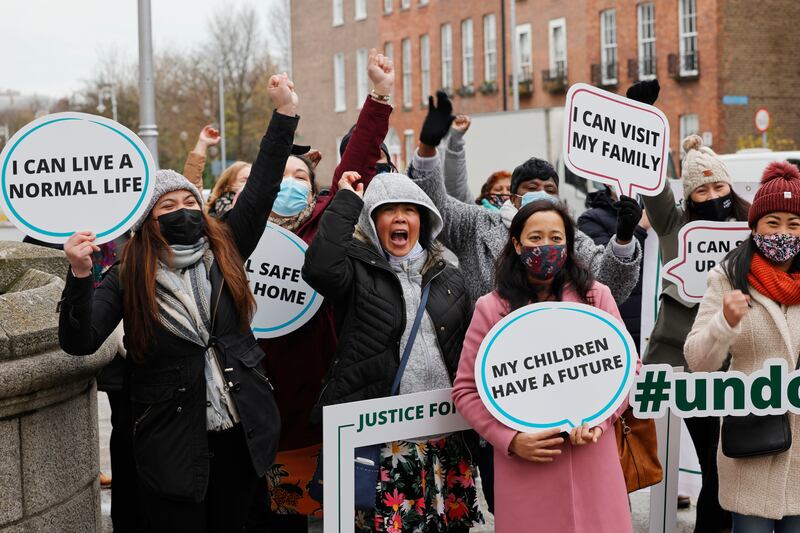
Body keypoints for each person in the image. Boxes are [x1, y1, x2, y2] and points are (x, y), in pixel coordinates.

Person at [58, 73, 299, 531]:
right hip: (171, 440)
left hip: (241, 432)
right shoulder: (128, 275)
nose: (182, 211)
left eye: (189, 202)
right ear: (148, 224)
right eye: (167, 208)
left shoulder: (226, 247)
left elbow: (263, 185)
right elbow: (80, 341)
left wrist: (284, 113)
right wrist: (81, 274)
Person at [302, 168, 482, 532]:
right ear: (371, 220)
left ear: (425, 219)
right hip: (385, 442)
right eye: (388, 209)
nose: (400, 217)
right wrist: (347, 201)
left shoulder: (451, 277)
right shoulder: (354, 270)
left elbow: (466, 351)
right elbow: (319, 268)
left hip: (445, 440)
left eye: (410, 209)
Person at [452, 200, 635, 533]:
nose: (546, 247)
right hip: (527, 469)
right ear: (517, 243)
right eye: (535, 238)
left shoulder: (596, 297)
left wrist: (601, 421)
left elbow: (628, 369)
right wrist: (509, 439)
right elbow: (465, 390)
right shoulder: (492, 309)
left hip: (592, 461)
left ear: (568, 242)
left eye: (555, 237)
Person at [633, 77, 746, 531]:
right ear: (689, 197)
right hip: (685, 363)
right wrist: (642, 120)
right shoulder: (674, 225)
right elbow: (653, 184)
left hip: (739, 366)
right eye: (702, 191)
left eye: (718, 188)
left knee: (730, 465)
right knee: (713, 463)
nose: (713, 198)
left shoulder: (748, 229)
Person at [407, 90, 643, 307]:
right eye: (532, 187)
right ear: (513, 196)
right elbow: (435, 206)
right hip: (489, 341)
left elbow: (611, 287)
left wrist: (623, 239)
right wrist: (427, 148)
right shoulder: (477, 226)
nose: (542, 195)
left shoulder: (572, 239)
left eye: (549, 189)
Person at [684, 161, 800, 531]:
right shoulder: (728, 277)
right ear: (754, 226)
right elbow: (698, 360)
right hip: (751, 442)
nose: (783, 233)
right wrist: (725, 323)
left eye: (794, 225)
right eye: (773, 223)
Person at [579, 187, 650, 354]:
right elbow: (606, 274)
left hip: (659, 327)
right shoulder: (591, 219)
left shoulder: (665, 211)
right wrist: (637, 229)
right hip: (625, 324)